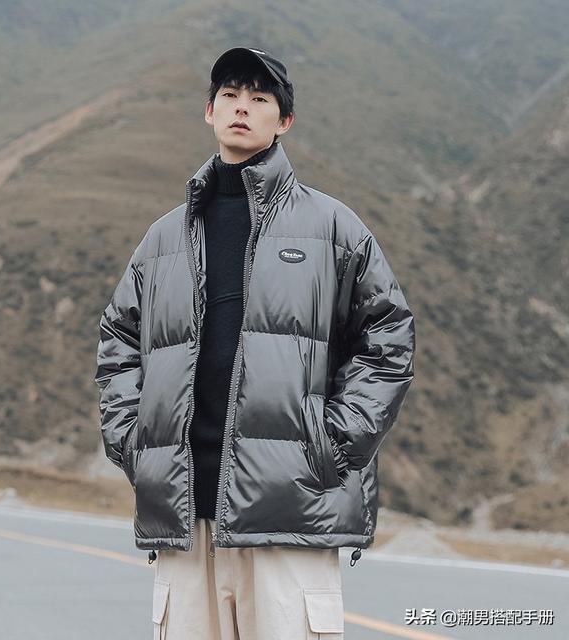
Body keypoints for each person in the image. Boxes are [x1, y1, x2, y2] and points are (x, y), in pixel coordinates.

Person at [94, 46, 415, 640]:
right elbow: (119, 339)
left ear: (283, 120)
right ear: (209, 111)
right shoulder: (163, 239)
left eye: (259, 98)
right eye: (230, 96)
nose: (242, 107)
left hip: (291, 511)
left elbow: (388, 337)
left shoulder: (332, 228)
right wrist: (134, 444)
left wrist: (331, 446)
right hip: (186, 513)